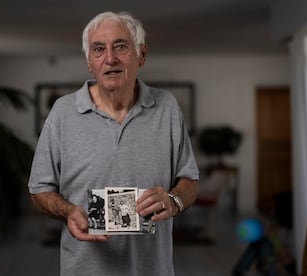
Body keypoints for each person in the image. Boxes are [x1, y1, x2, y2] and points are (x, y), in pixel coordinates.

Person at [28, 11, 199, 276]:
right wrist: (68, 211)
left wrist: (174, 200)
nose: (110, 58)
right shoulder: (62, 112)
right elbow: (38, 189)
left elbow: (189, 180)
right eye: (98, 49)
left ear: (141, 55)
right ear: (89, 61)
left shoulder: (167, 107)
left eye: (120, 46)